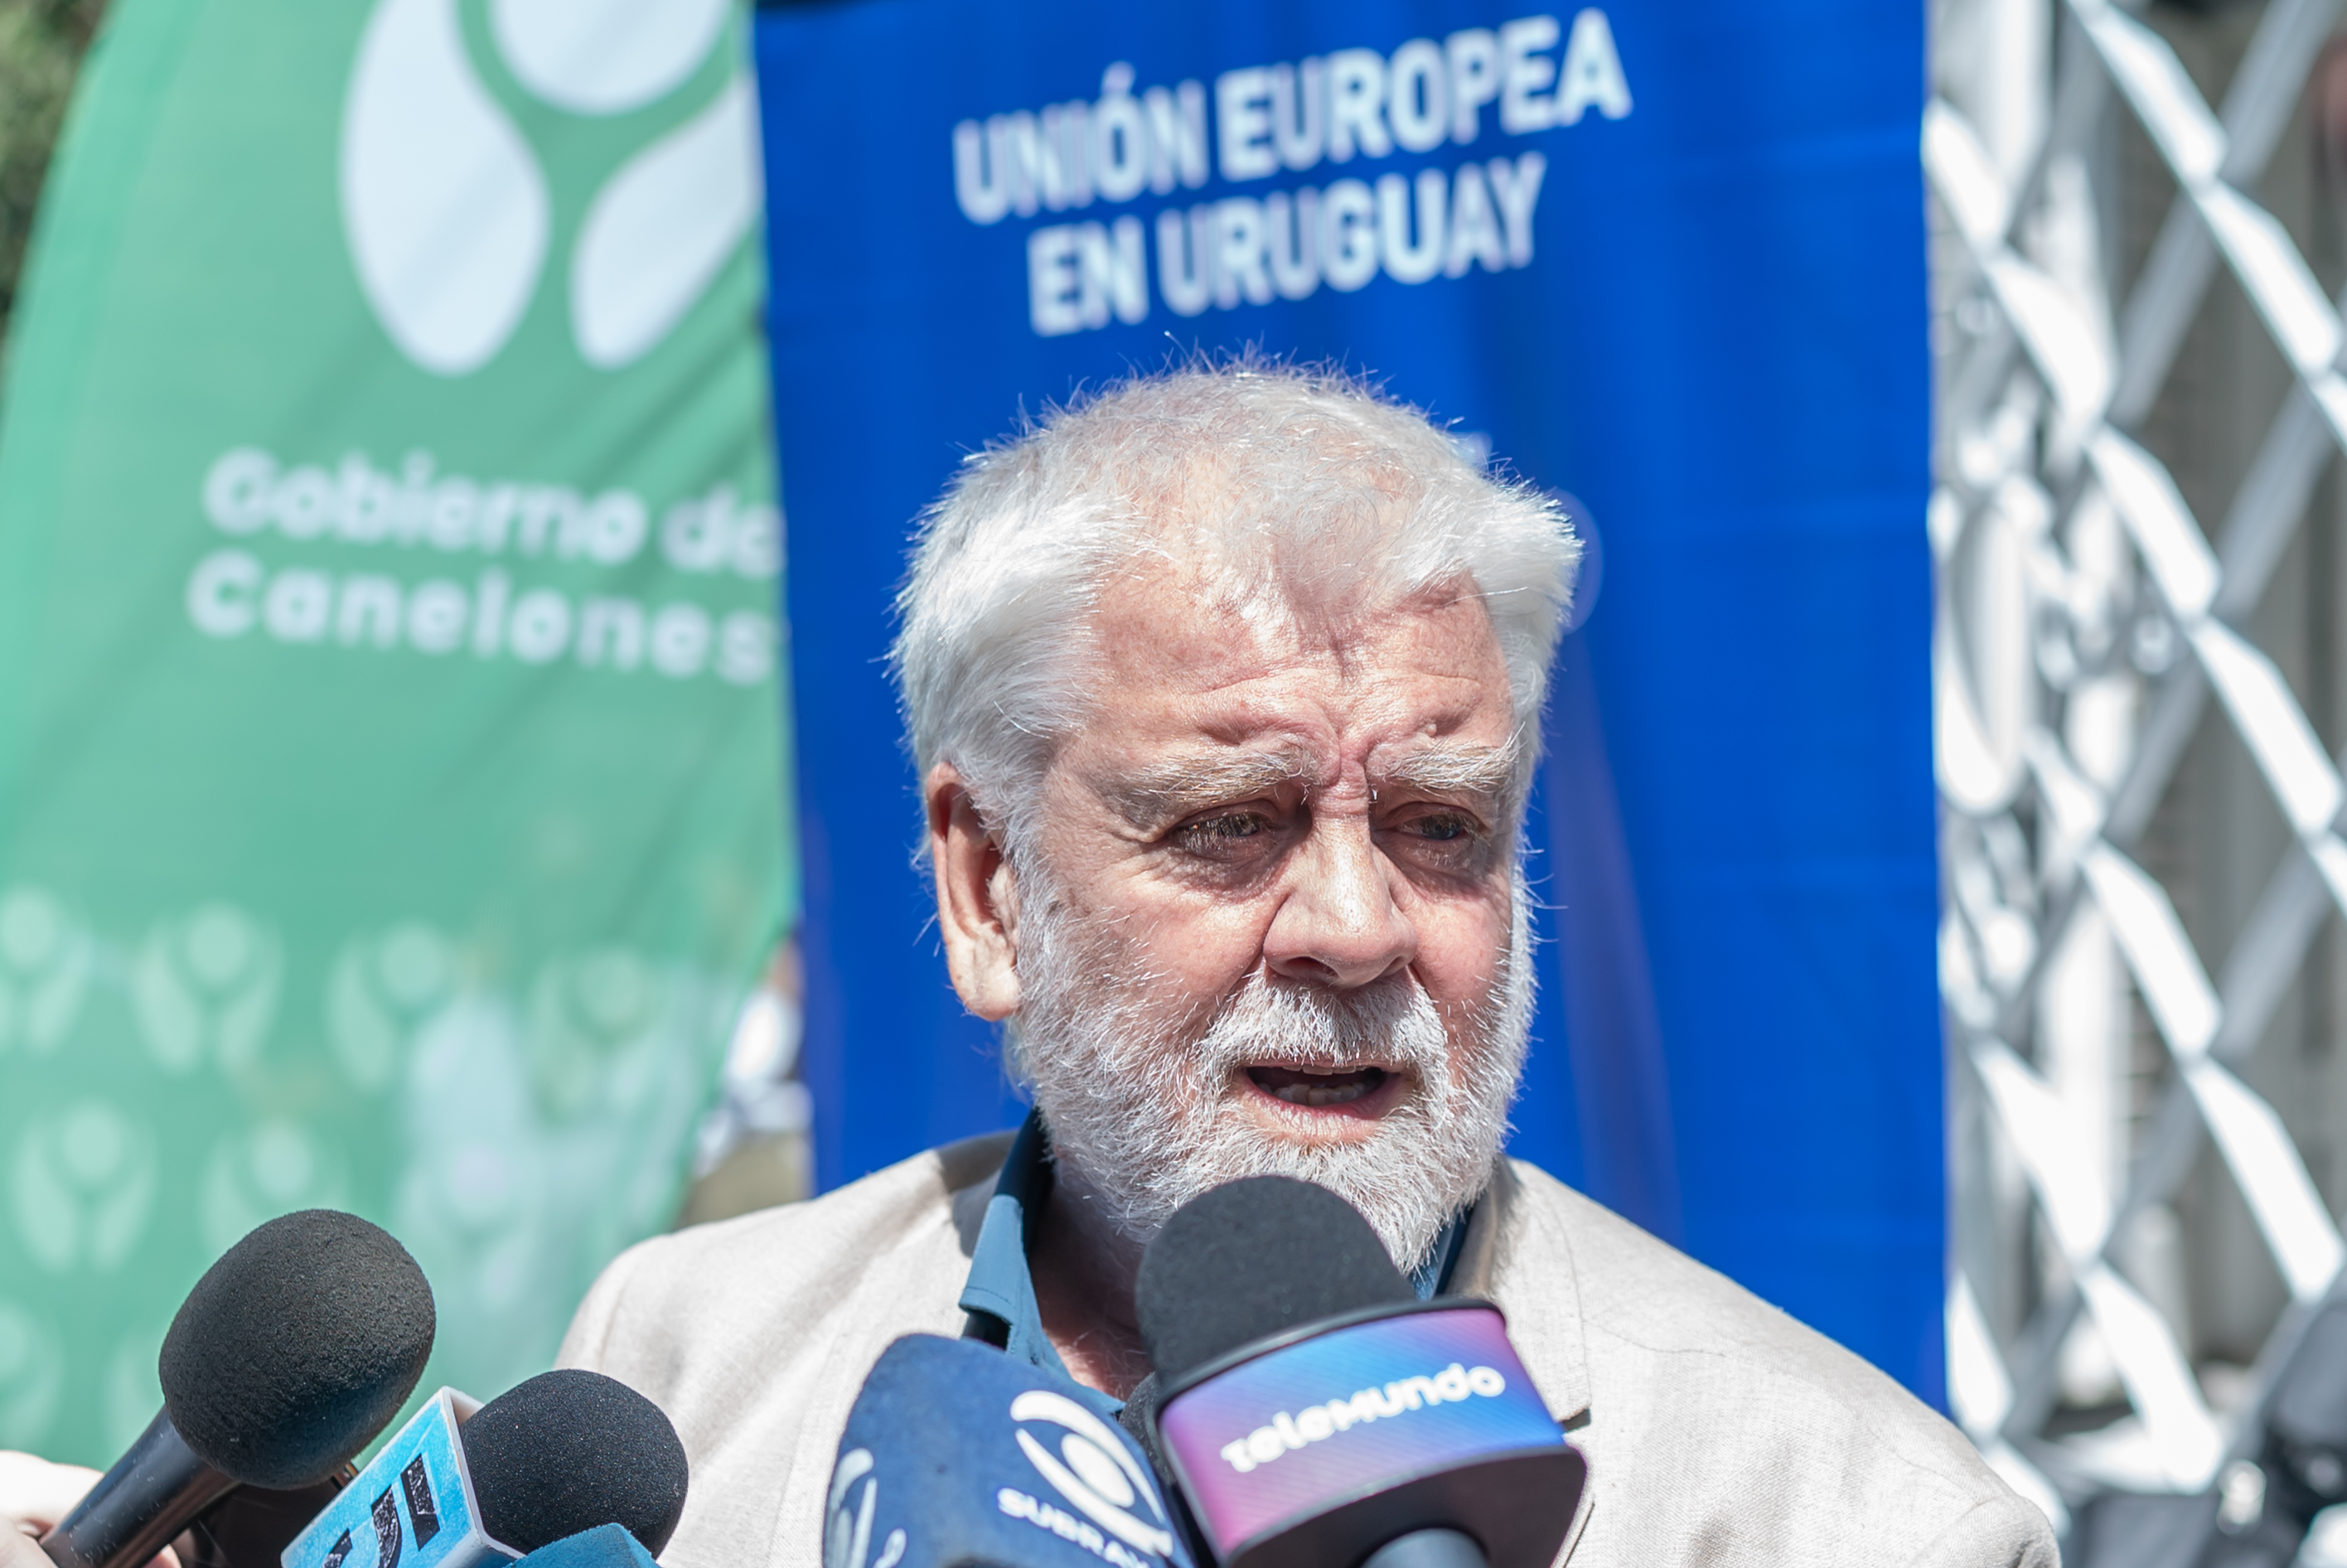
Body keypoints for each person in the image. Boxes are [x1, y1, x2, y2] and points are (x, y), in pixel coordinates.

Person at [1, 365, 2053, 1568]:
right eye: (1230, 822)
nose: (1357, 929)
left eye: (1443, 825)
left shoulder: (1860, 1521)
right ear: (985, 887)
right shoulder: (687, 1348)